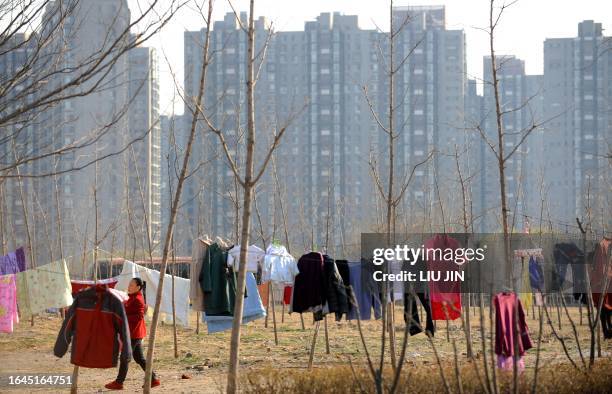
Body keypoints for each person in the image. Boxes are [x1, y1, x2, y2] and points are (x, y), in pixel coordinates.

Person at [105, 278, 160, 390]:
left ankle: (119, 382)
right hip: (134, 333)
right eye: (129, 284)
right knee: (139, 358)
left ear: (138, 287)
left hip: (134, 333)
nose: (129, 286)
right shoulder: (131, 297)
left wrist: (124, 317)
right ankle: (153, 379)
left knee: (125, 357)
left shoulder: (138, 299)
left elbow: (139, 316)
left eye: (131, 285)